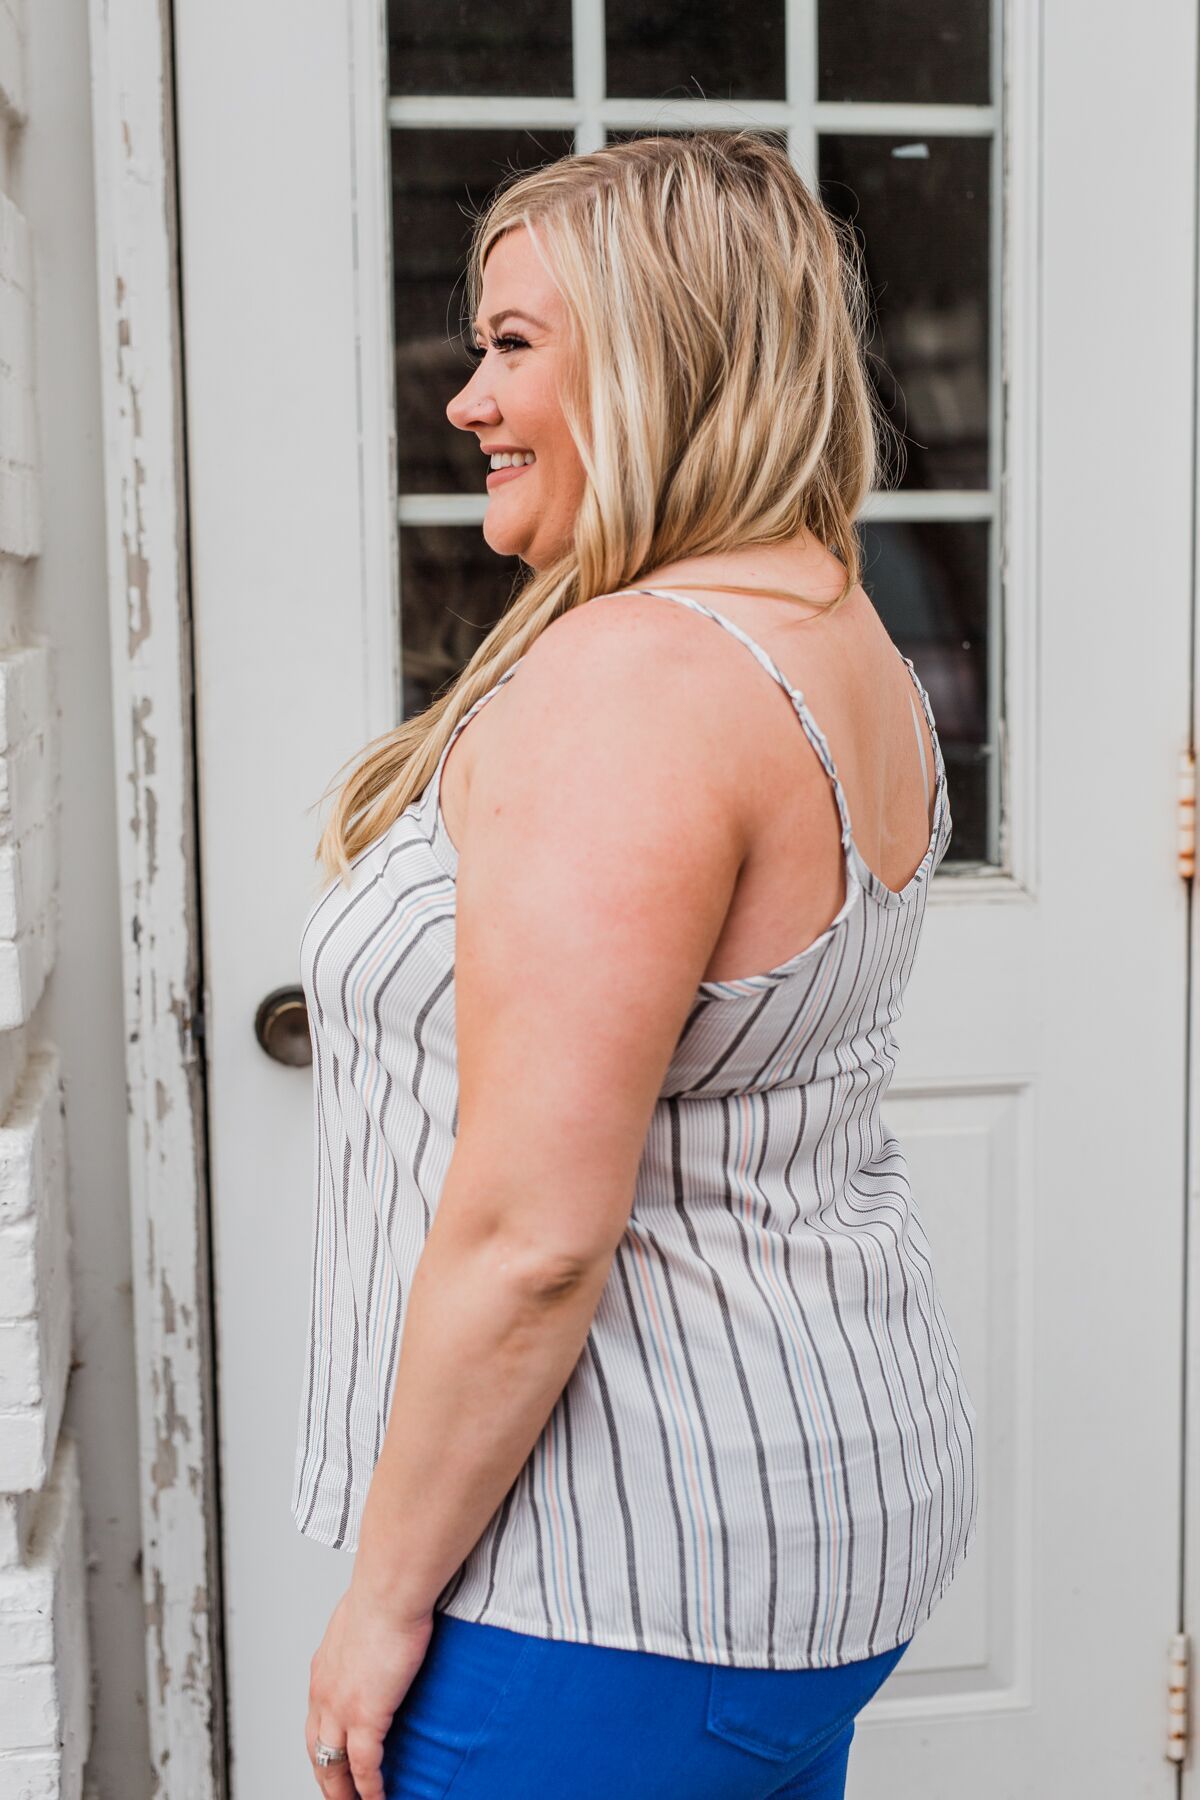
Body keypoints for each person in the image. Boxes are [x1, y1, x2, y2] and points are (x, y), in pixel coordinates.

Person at [293, 130, 978, 1800]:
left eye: (514, 344)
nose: (467, 400)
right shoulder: (829, 626)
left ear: (664, 355)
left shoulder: (638, 684)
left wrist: (381, 1610)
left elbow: (534, 1238)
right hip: (799, 1518)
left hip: (610, 1583)